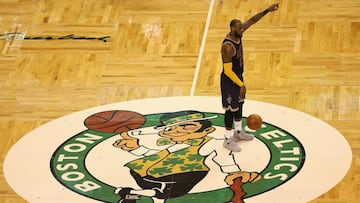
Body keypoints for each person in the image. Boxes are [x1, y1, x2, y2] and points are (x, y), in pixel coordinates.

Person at [221, 3, 280, 152]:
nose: (242, 29)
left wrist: (267, 10)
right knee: (230, 109)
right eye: (239, 28)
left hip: (238, 77)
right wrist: (241, 84)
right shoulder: (227, 47)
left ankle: (239, 132)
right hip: (229, 81)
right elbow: (227, 71)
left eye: (242, 27)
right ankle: (228, 139)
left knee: (239, 105)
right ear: (232, 29)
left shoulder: (239, 33)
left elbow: (252, 20)